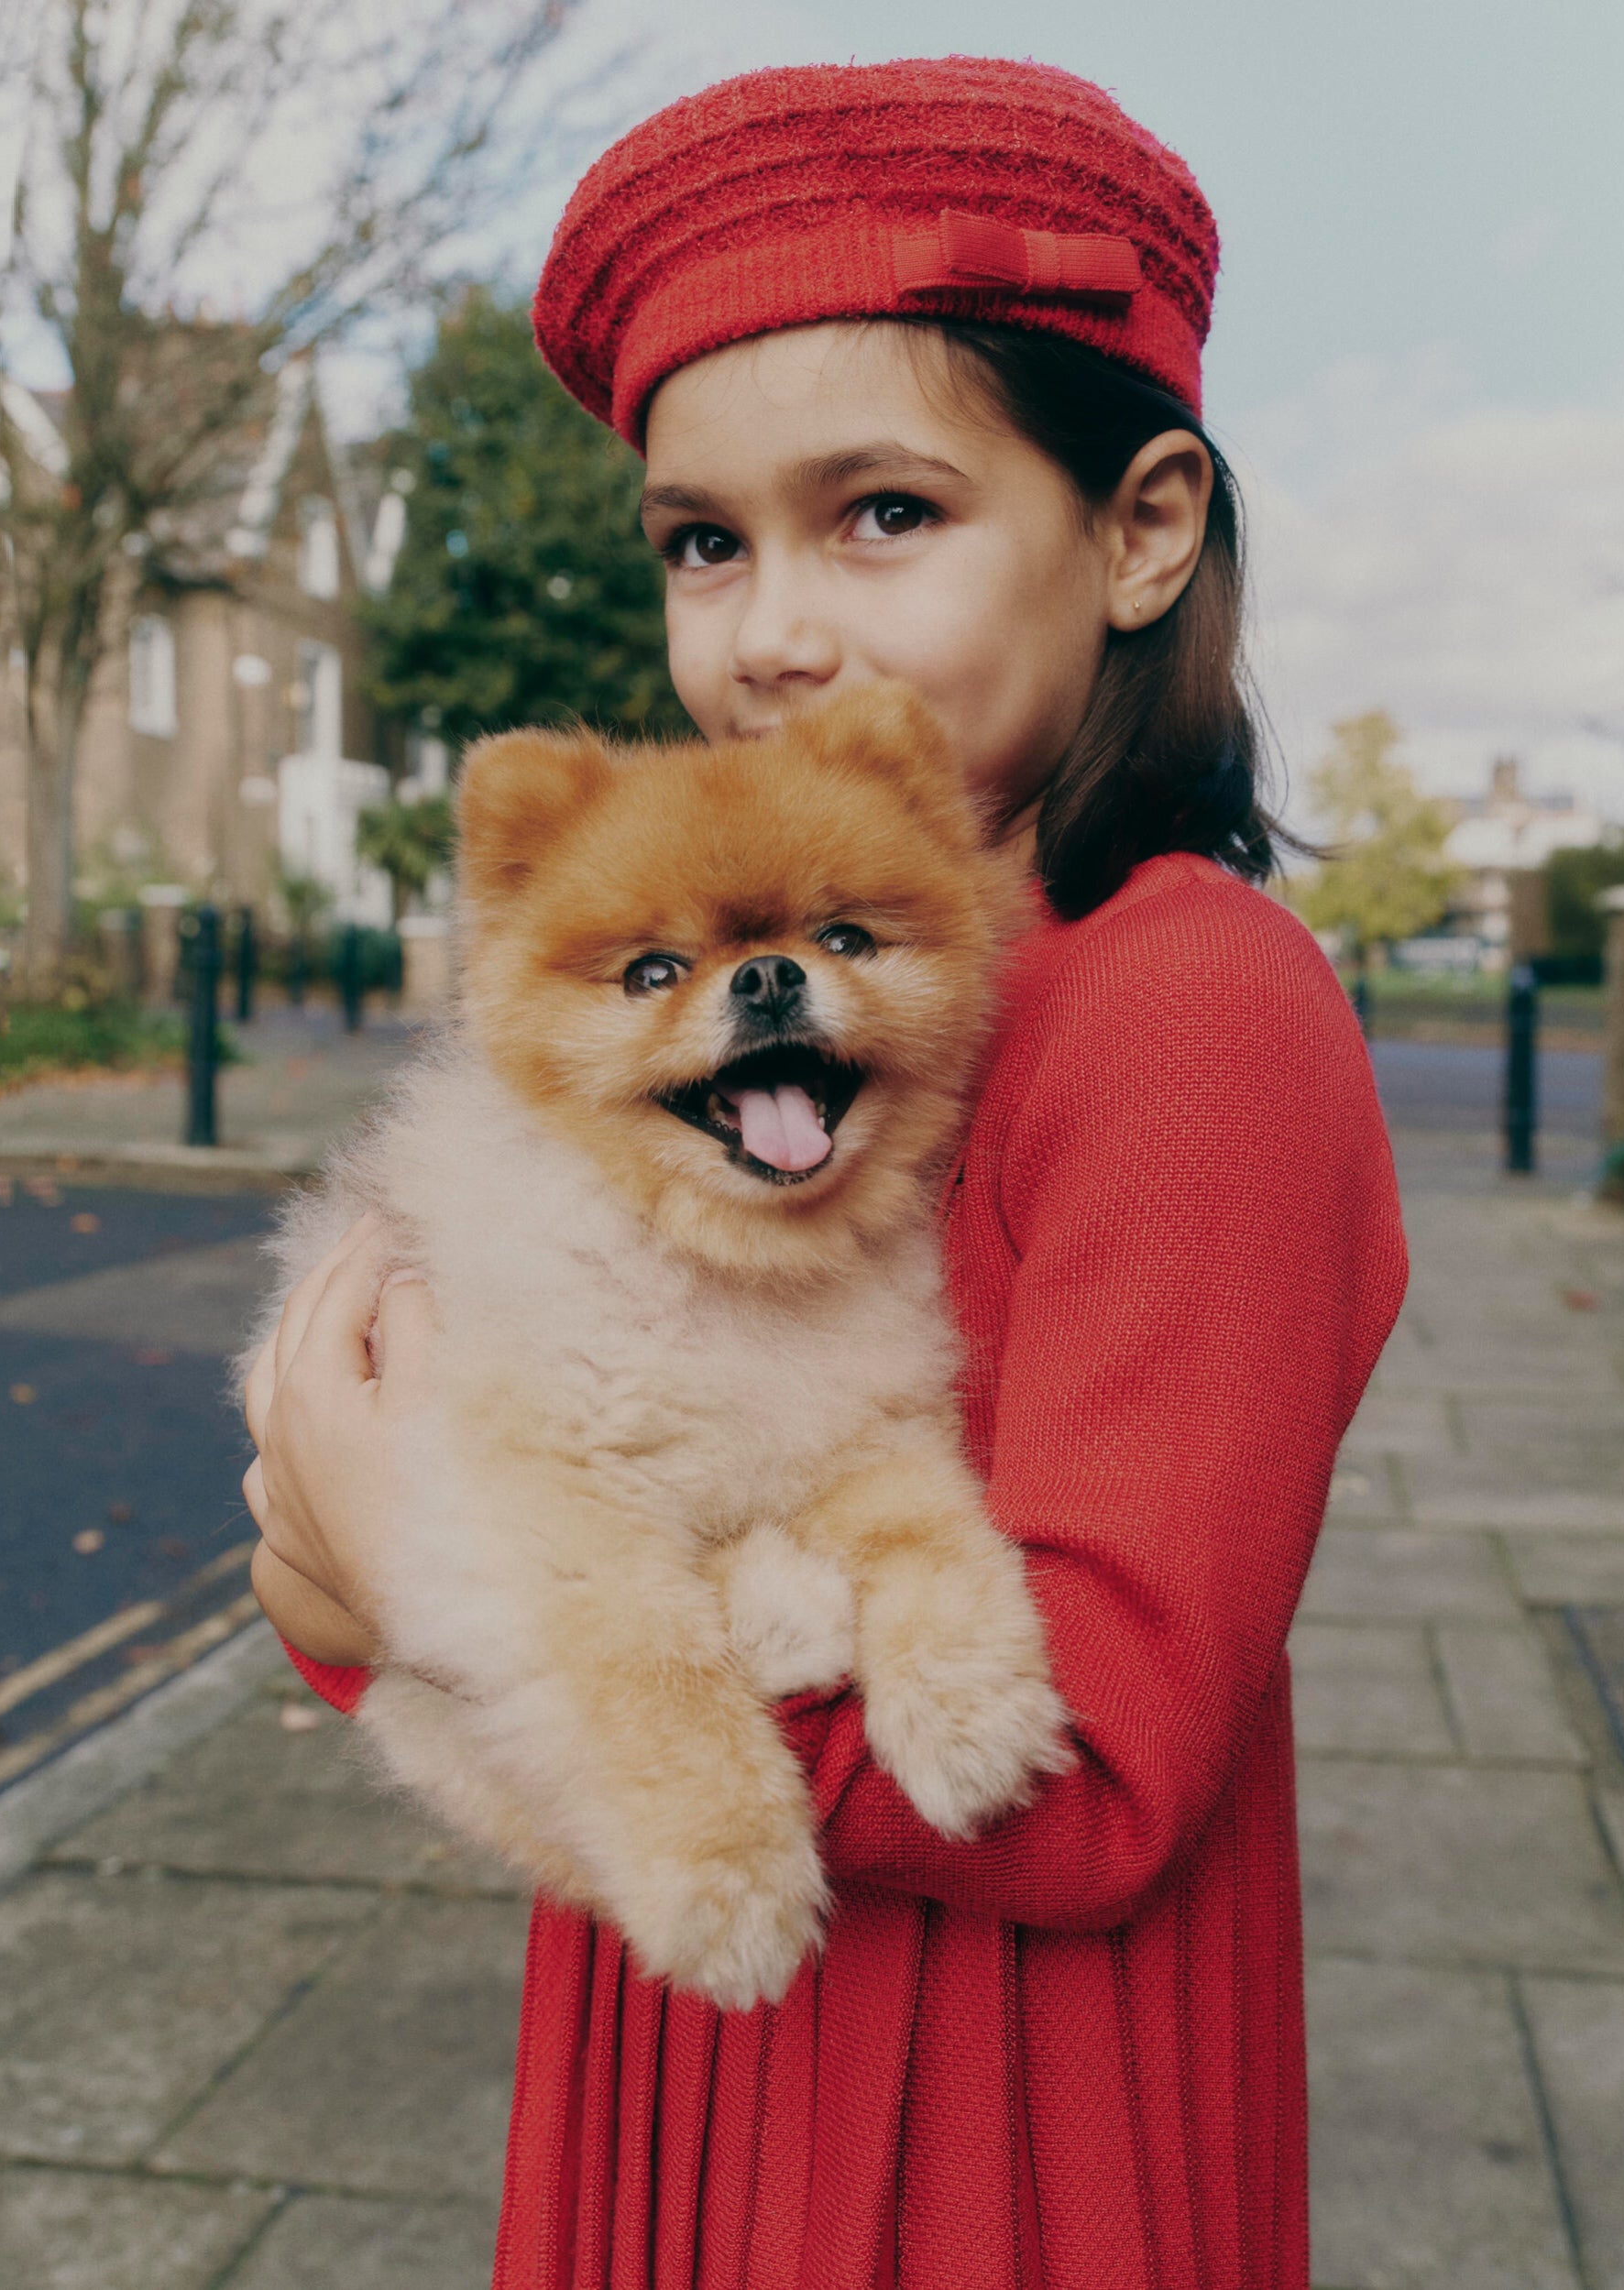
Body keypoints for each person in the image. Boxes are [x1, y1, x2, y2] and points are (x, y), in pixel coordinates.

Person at [240, 57, 1408, 2290]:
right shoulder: (739, 1007)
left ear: (1141, 526)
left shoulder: (1184, 1002)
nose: (769, 627)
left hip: (983, 2090)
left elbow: (1091, 1767)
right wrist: (420, 1584)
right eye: (703, 541)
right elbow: (481, 1461)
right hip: (699, 1954)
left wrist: (466, 1603)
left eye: (879, 512)